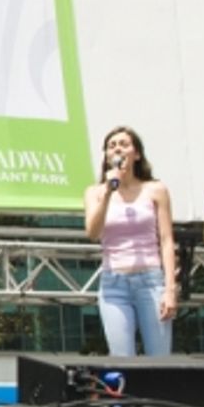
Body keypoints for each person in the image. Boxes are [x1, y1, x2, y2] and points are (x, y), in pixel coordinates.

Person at [82, 126, 177, 356]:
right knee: (123, 361)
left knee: (159, 360)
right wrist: (108, 192)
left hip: (151, 281)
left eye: (124, 144)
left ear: (136, 153)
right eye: (112, 145)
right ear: (106, 155)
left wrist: (170, 289)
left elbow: (166, 240)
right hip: (114, 283)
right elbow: (93, 233)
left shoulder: (155, 189)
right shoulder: (94, 192)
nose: (117, 149)